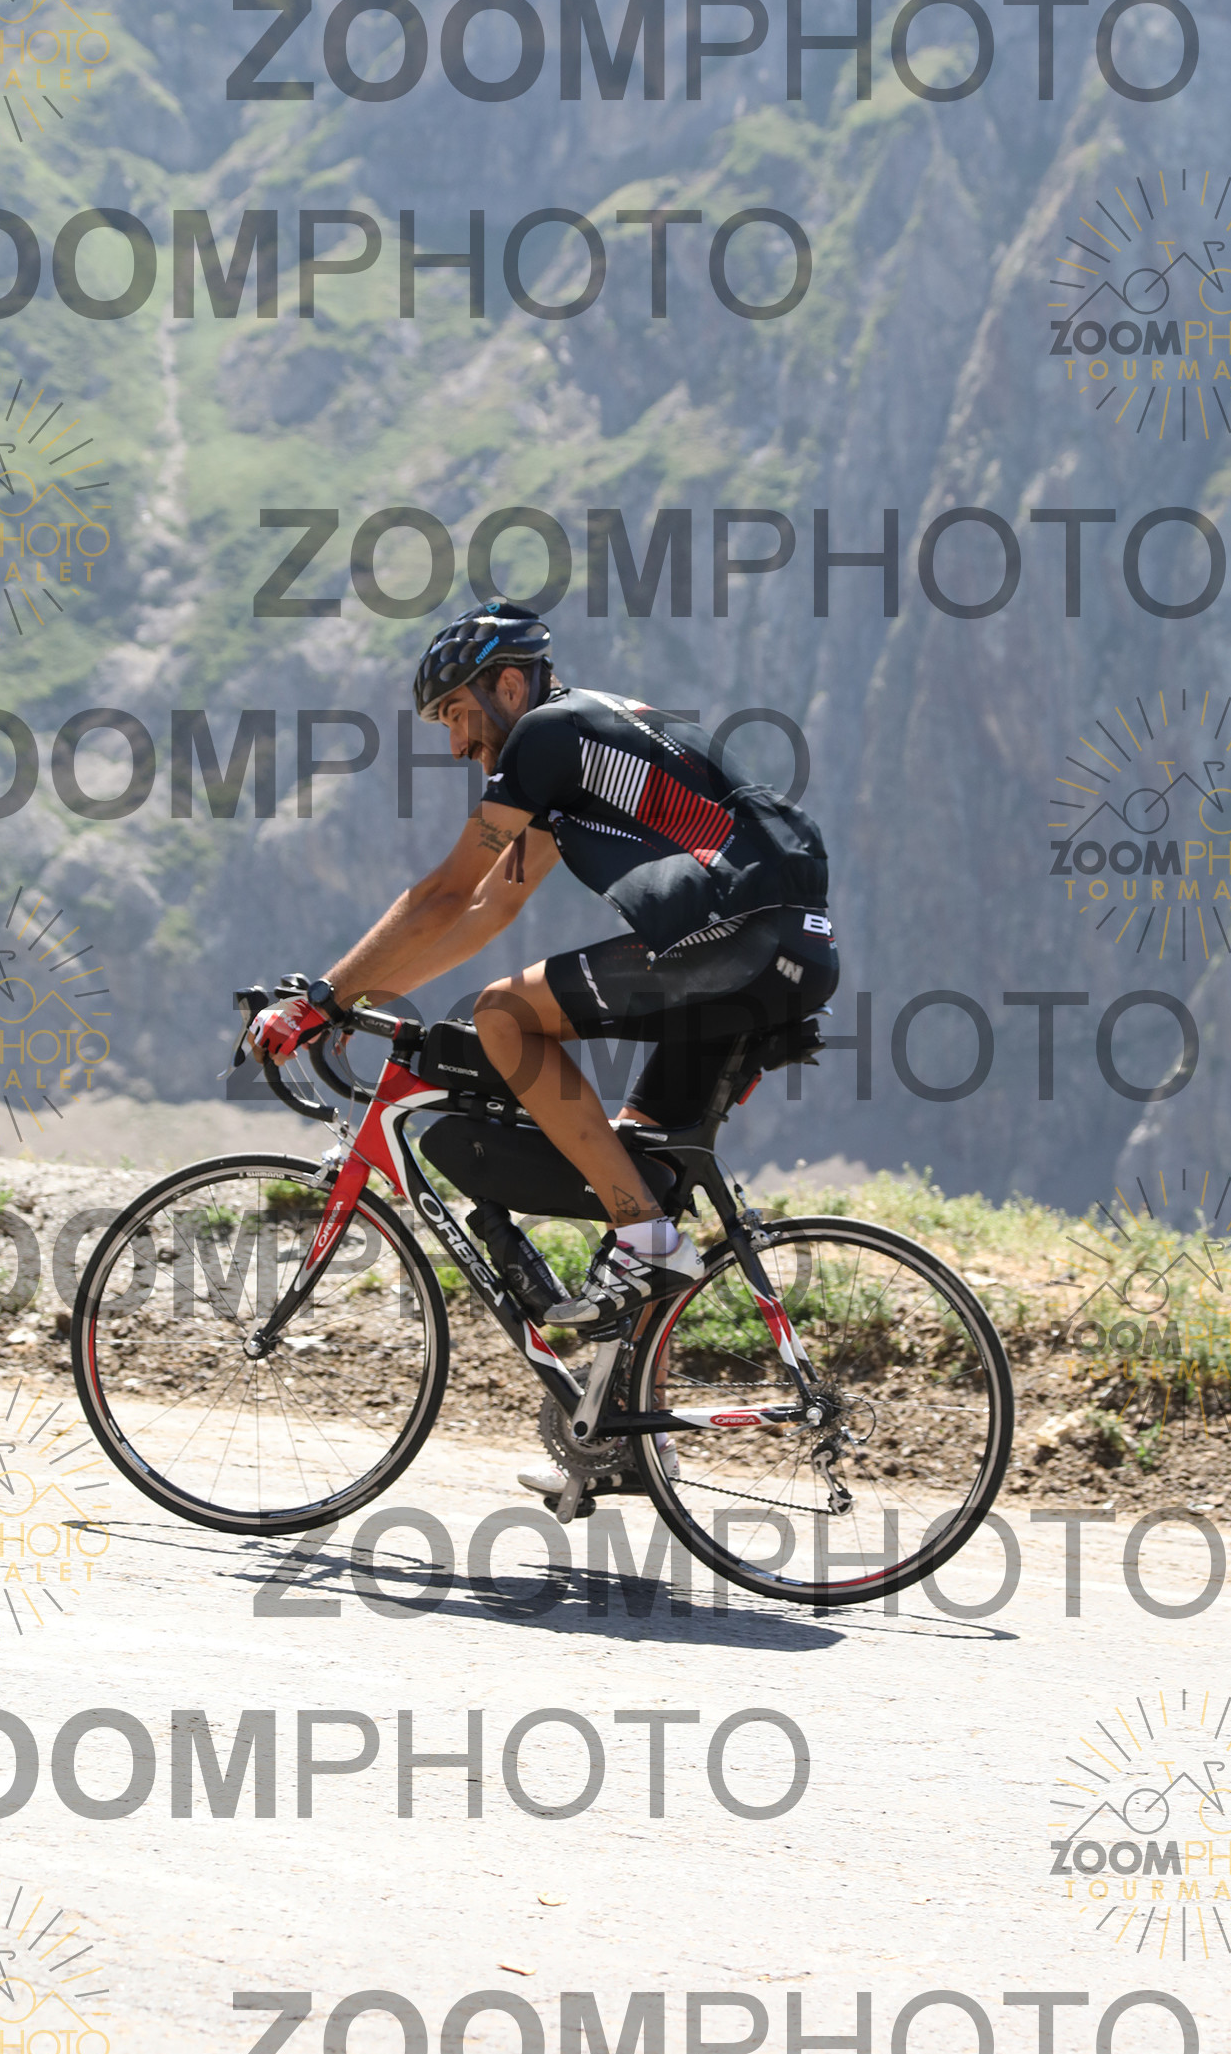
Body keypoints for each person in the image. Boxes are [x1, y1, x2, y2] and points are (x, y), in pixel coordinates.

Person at [250, 600, 837, 1485]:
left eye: (458, 714)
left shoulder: (547, 736)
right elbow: (488, 910)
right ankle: (632, 1445)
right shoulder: (580, 755)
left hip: (735, 942)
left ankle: (644, 1235)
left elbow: (444, 893)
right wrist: (355, 996)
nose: (458, 744)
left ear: (509, 684)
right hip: (787, 950)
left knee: (503, 1016)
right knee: (639, 1169)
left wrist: (323, 998)